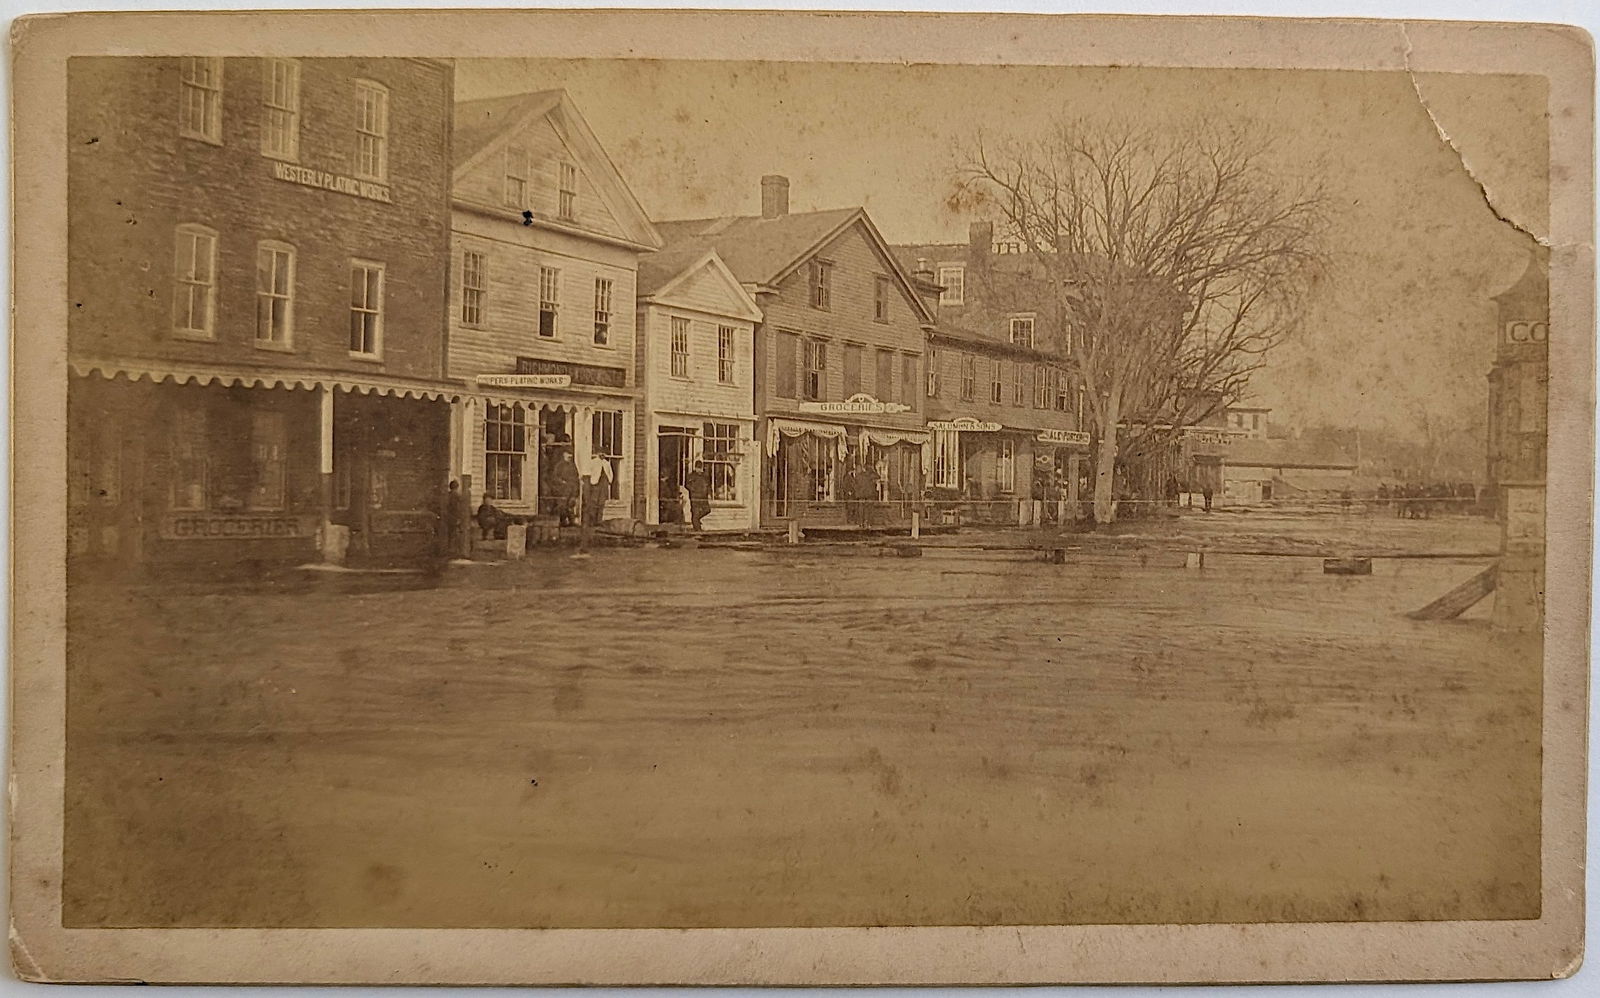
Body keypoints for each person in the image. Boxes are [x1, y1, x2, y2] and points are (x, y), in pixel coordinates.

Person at [549, 450, 580, 527]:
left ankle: (571, 521)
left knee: (571, 505)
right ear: (564, 455)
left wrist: (576, 491)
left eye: (570, 456)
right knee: (562, 505)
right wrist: (562, 482)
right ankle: (563, 521)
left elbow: (576, 478)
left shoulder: (573, 466)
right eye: (568, 455)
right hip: (562, 489)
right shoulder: (559, 466)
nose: (569, 457)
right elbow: (555, 477)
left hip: (571, 488)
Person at [684, 460, 713, 531]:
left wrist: (709, 493)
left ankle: (696, 520)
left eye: (700, 468)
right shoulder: (691, 476)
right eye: (698, 468)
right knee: (695, 512)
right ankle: (697, 530)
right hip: (695, 497)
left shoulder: (705, 476)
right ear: (695, 468)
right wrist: (693, 489)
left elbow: (708, 486)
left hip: (703, 497)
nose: (699, 470)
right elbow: (687, 485)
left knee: (707, 510)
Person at [445, 480, 469, 556]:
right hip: (455, 516)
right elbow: (458, 508)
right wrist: (459, 518)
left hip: (449, 517)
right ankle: (455, 550)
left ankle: (450, 549)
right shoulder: (457, 496)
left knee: (450, 533)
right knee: (456, 534)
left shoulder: (448, 495)